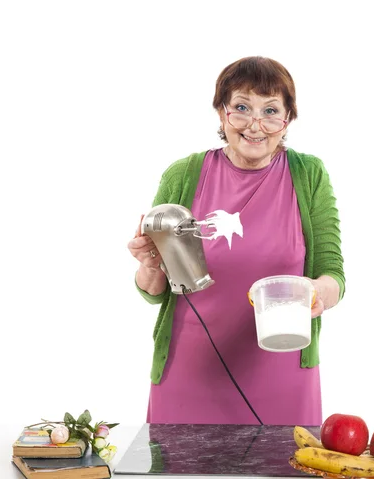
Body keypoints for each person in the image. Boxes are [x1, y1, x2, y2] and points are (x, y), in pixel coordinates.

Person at [127, 56, 345, 426]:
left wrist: (315, 291)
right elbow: (154, 291)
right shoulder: (184, 174)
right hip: (188, 376)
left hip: (283, 374)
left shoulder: (309, 175)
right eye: (241, 107)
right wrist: (150, 265)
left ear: (288, 119)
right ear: (221, 113)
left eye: (271, 110)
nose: (255, 124)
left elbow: (333, 276)